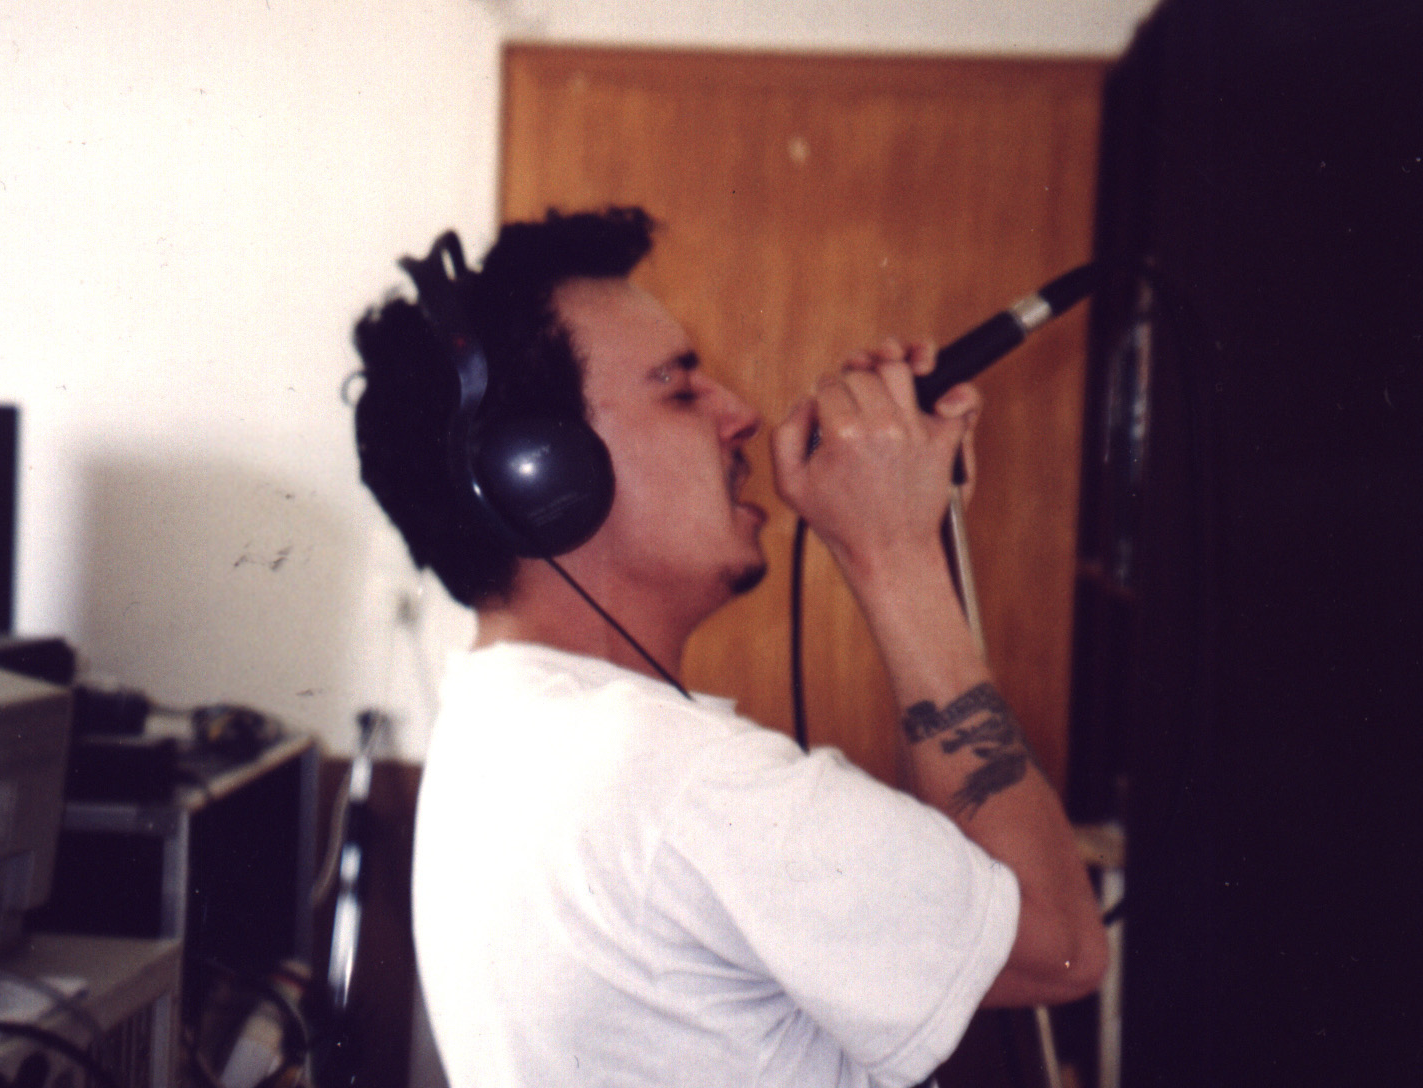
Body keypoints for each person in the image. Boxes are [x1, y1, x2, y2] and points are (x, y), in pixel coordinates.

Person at [352, 207, 1106, 1088]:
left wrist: (916, 533)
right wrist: (895, 556)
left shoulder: (503, 722)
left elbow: (956, 904)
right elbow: (1059, 948)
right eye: (679, 390)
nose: (741, 414)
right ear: (542, 474)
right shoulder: (671, 776)